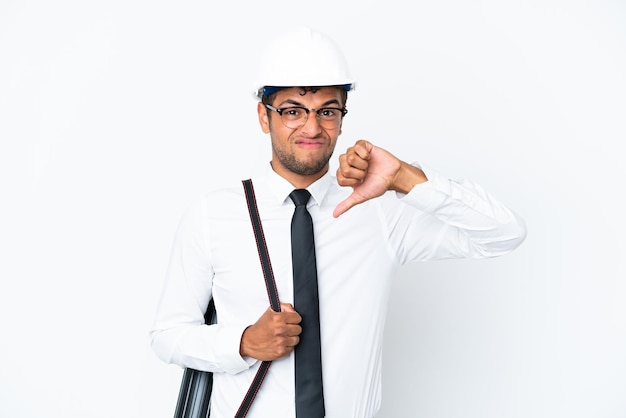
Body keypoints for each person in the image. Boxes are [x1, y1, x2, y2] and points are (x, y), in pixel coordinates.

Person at [150, 26, 527, 418]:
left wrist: (405, 178)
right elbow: (167, 336)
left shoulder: (379, 213)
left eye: (327, 111)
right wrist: (243, 343)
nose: (312, 128)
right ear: (264, 116)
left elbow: (503, 233)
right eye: (293, 111)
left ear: (342, 119)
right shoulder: (213, 214)